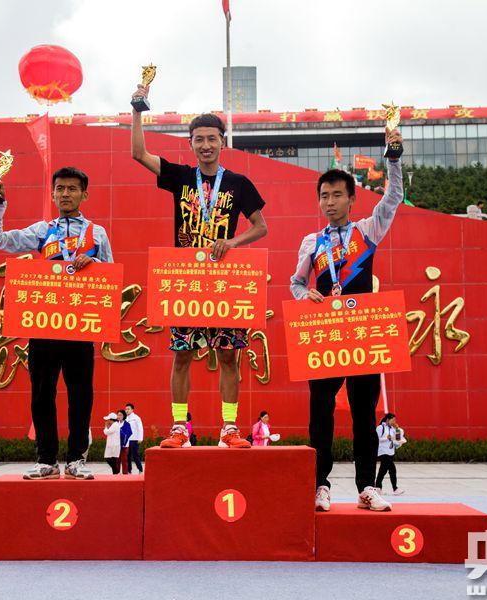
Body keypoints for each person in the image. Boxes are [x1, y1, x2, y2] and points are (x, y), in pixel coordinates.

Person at [131, 84, 268, 450]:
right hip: (187, 280)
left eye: (212, 138)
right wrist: (138, 110)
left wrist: (233, 242)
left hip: (224, 281)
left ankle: (229, 429)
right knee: (181, 355)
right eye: (199, 139)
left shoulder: (238, 184)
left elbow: (261, 227)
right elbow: (138, 153)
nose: (206, 145)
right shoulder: (180, 177)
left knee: (228, 356)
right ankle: (180, 428)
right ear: (190, 143)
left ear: (222, 142)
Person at [290, 128, 405, 513]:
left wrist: (393, 158)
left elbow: (393, 197)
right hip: (325, 334)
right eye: (324, 195)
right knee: (320, 413)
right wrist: (306, 295)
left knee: (363, 413)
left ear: (352, 199)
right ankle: (319, 486)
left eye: (337, 195)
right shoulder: (312, 242)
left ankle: (366, 487)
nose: (330, 201)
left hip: (362, 333)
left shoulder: (367, 231)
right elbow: (296, 283)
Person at [0, 166, 114, 481]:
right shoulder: (43, 230)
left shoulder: (97, 233)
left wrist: (95, 262)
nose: (66, 194)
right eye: (60, 189)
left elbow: (111, 274)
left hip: (80, 323)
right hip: (45, 323)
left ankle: (76, 460)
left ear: (84, 194)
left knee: (80, 394)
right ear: (53, 194)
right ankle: (46, 460)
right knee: (42, 392)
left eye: (72, 188)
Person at [376, 413, 406, 495]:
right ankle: (395, 488)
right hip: (383, 452)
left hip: (390, 452)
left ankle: (378, 487)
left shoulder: (392, 428)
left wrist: (397, 429)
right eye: (393, 420)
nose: (394, 422)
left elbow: (398, 438)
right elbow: (377, 439)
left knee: (383, 470)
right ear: (388, 420)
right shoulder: (380, 428)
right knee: (392, 469)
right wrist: (387, 438)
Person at [124, 403, 144, 473]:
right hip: (127, 440)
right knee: (127, 456)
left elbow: (140, 428)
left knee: (135, 455)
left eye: (128, 409)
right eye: (126, 409)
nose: (127, 410)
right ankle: (129, 470)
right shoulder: (125, 418)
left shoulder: (136, 418)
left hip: (134, 439)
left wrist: (140, 438)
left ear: (132, 410)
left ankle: (140, 469)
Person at [117, 410, 132, 475]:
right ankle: (116, 473)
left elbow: (129, 433)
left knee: (124, 460)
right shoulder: (116, 423)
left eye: (120, 415)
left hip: (124, 445)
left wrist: (124, 441)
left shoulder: (127, 424)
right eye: (118, 415)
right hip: (117, 444)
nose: (119, 416)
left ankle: (125, 474)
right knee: (117, 460)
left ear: (124, 416)